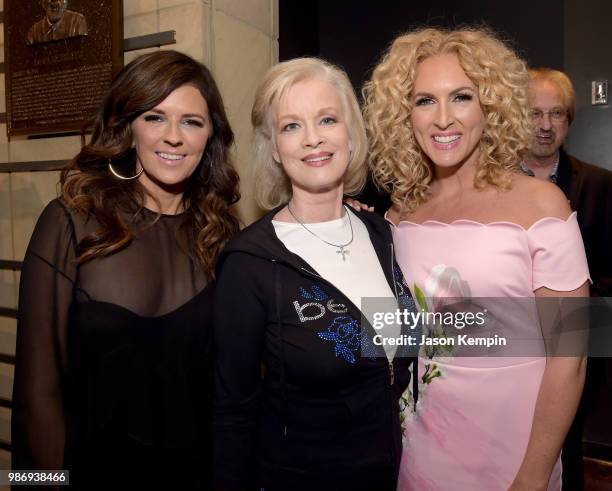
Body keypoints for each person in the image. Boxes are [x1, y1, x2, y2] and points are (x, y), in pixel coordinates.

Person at [363, 27, 590, 490]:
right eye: (425, 100)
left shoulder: (542, 205)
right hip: (419, 448)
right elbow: (392, 334)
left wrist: (532, 476)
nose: (443, 118)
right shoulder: (398, 214)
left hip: (515, 453)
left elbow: (572, 357)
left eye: (461, 97)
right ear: (404, 115)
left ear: (491, 106)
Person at [12, 50, 239, 489]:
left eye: (192, 121)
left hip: (198, 474)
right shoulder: (69, 222)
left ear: (210, 136)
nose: (174, 136)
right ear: (128, 127)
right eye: (155, 117)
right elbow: (36, 396)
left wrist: (345, 222)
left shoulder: (223, 235)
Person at [213, 57, 417, 491]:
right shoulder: (249, 261)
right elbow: (233, 409)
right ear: (273, 146)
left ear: (350, 133)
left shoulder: (380, 233)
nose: (312, 140)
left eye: (327, 119)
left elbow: (378, 347)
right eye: (290, 126)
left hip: (388, 474)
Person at [523, 67, 612, 490]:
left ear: (569, 120)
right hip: (510, 342)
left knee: (567, 445)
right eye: (533, 113)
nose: (544, 125)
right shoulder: (491, 185)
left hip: (579, 343)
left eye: (555, 113)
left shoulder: (601, 184)